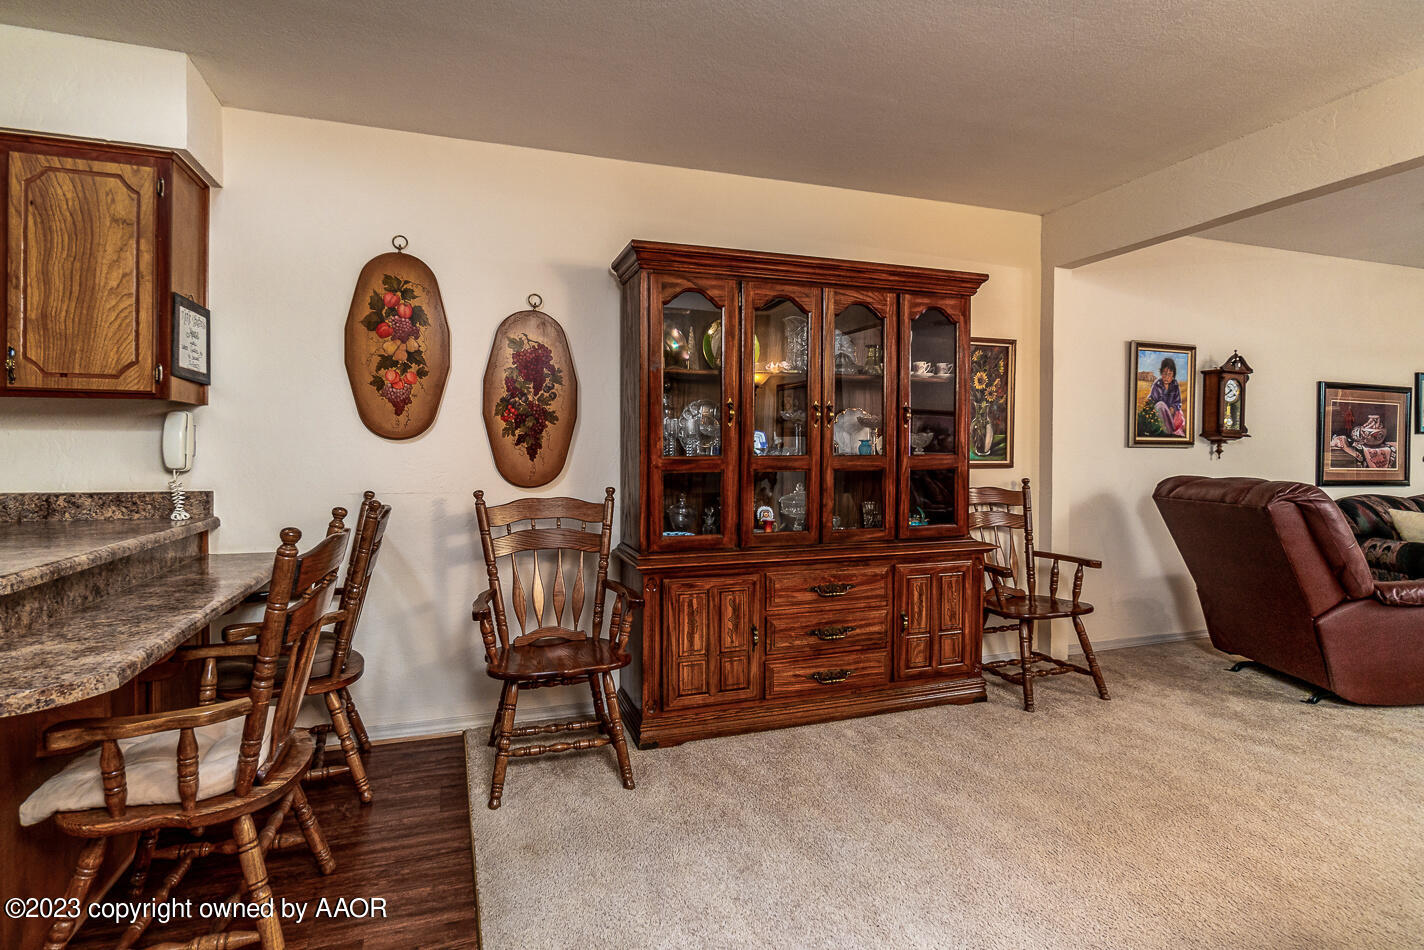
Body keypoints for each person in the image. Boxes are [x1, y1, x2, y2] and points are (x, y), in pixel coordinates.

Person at [1147, 357, 1184, 436]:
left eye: (1169, 374)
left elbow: (1178, 402)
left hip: (1171, 414)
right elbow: (1151, 402)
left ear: (1173, 375)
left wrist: (1173, 407)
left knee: (1180, 413)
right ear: (1161, 373)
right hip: (1159, 414)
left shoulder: (1175, 384)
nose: (1166, 377)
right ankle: (1169, 432)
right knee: (1161, 405)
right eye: (1164, 373)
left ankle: (1170, 431)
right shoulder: (1157, 384)